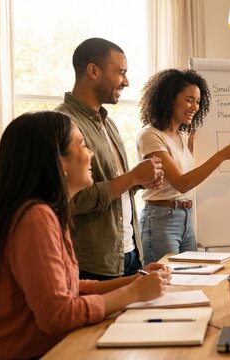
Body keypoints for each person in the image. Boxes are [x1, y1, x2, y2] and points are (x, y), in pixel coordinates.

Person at [0, 111, 171, 359]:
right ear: (59, 161)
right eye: (83, 145)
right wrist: (134, 293)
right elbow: (58, 316)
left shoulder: (46, 211)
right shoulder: (35, 217)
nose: (91, 154)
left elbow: (70, 288)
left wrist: (134, 281)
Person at [55, 38, 164, 280]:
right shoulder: (62, 123)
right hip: (94, 262)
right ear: (93, 71)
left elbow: (114, 186)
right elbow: (73, 199)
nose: (127, 81)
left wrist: (138, 182)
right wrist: (132, 177)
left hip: (129, 253)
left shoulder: (108, 122)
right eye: (121, 73)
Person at [137, 68, 230, 263]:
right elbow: (181, 183)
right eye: (189, 100)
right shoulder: (151, 135)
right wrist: (222, 156)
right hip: (160, 219)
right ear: (170, 98)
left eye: (198, 102)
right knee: (168, 284)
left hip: (186, 218)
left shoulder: (185, 136)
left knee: (192, 279)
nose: (195, 107)